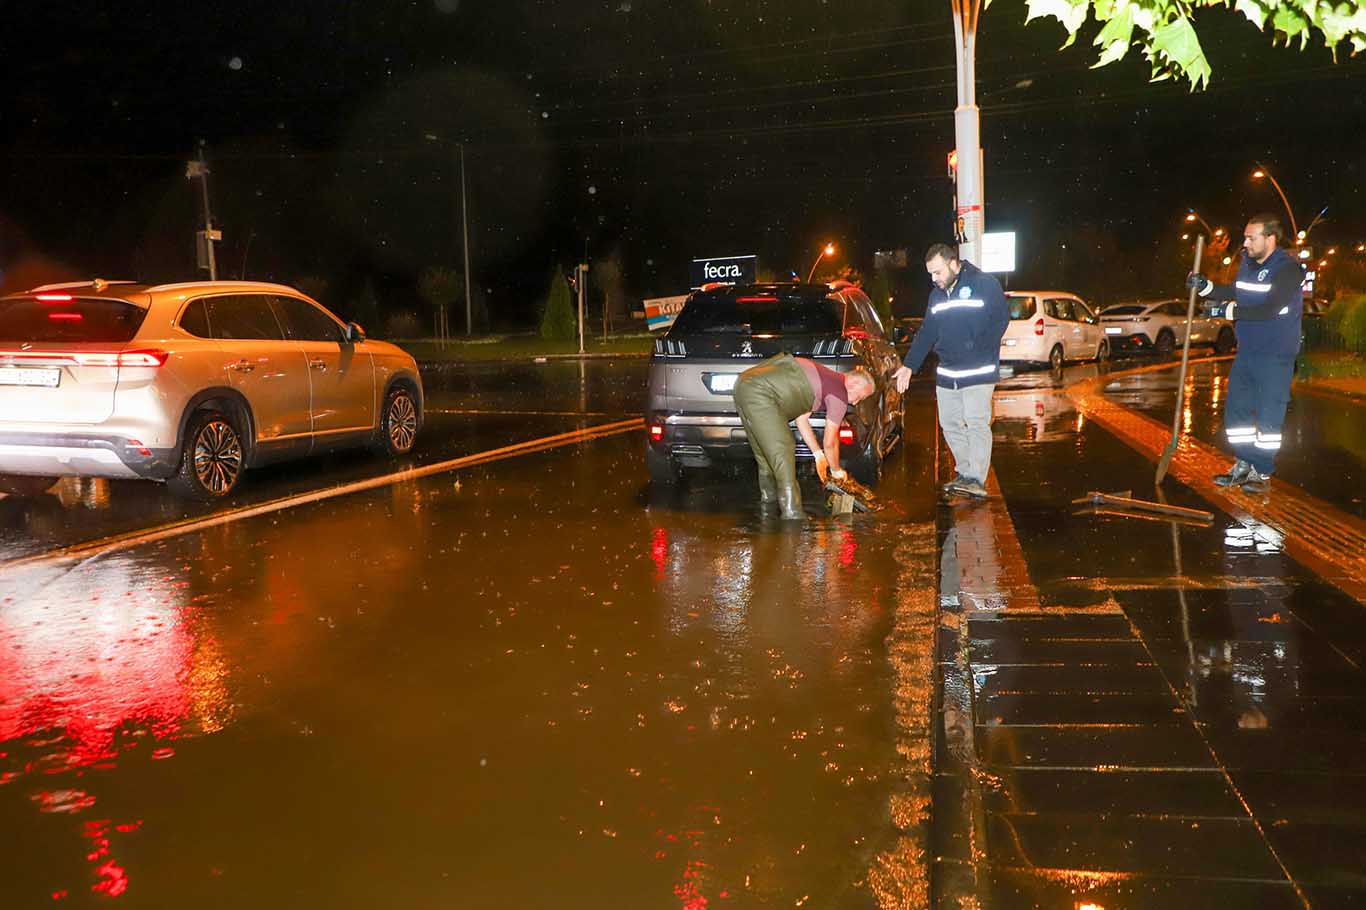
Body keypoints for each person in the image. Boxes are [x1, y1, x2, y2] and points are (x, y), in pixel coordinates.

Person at [1187, 214, 1303, 494]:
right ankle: (1243, 464)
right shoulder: (1248, 265)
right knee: (1236, 413)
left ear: (1270, 239)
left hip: (1275, 356)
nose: (1245, 242)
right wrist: (1206, 288)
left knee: (1268, 419)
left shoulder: (1288, 270)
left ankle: (1261, 472)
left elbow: (1270, 308)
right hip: (1248, 353)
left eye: (1252, 237)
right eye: (1246, 237)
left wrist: (1228, 311)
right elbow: (1235, 291)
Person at [893, 243, 1009, 499]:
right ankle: (966, 473)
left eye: (937, 272)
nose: (934, 279)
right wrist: (909, 366)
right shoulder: (936, 296)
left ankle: (977, 479)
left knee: (977, 422)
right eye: (930, 274)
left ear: (954, 264)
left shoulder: (984, 284)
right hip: (948, 372)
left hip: (978, 369)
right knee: (949, 423)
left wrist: (980, 348)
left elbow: (1001, 319)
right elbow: (927, 333)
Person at [733, 354, 875, 519]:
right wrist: (836, 470)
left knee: (765, 456)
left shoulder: (824, 379)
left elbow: (801, 420)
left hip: (744, 385)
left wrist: (817, 454)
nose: (857, 403)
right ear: (855, 383)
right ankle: (793, 515)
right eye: (861, 396)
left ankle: (768, 505)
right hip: (761, 393)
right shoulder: (839, 392)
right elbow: (830, 442)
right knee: (783, 449)